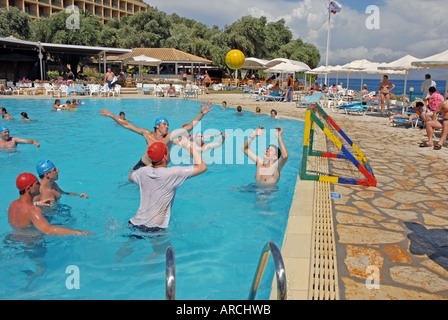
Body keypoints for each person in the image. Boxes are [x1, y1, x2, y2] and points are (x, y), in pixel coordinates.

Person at [100, 102, 214, 170]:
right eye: (164, 124)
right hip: (143, 165)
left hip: (159, 168)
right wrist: (110, 115)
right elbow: (127, 125)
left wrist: (201, 114)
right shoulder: (147, 134)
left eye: (168, 125)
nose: (167, 127)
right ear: (157, 126)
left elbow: (188, 127)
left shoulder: (169, 137)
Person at [128, 139, 207, 232]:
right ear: (165, 157)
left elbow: (130, 177)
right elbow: (202, 167)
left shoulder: (143, 172)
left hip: (134, 223)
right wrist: (189, 146)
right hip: (155, 228)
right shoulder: (172, 174)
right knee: (161, 246)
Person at [8, 173, 90, 236]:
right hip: (32, 244)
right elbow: (48, 230)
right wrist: (81, 232)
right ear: (29, 189)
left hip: (15, 238)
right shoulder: (33, 210)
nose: (40, 185)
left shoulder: (13, 205)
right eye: (37, 184)